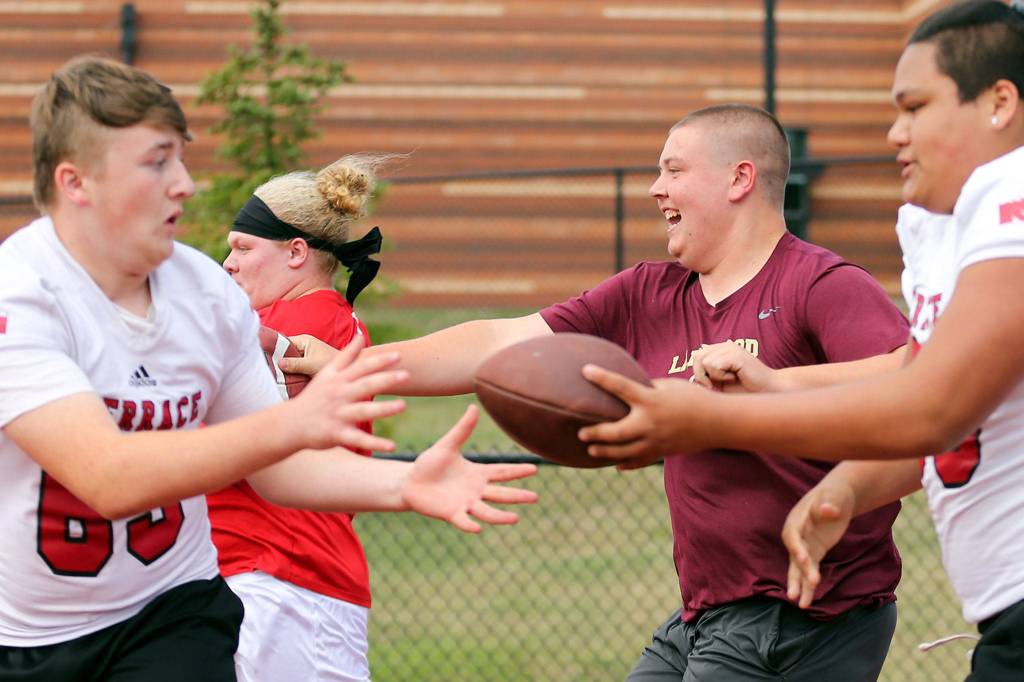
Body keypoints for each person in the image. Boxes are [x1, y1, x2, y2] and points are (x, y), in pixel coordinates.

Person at [285, 104, 911, 680]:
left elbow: (911, 382)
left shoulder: (821, 284)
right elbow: (502, 342)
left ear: (739, 179)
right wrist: (351, 363)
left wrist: (777, 388)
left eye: (673, 169)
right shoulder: (649, 292)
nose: (655, 188)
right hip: (709, 609)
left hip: (807, 613)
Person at [0, 55, 537, 682]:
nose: (184, 184)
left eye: (180, 158)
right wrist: (294, 421)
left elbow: (279, 473)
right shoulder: (22, 294)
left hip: (175, 610)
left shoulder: (203, 294)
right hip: (33, 633)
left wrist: (404, 483)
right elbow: (108, 477)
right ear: (76, 184)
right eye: (155, 162)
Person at [574, 2, 1024, 678]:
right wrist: (830, 469)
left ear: (999, 102)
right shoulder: (945, 223)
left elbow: (933, 407)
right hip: (995, 612)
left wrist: (712, 416)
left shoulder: (1008, 199)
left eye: (915, 105)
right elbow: (917, 373)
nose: (895, 131)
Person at [210, 154, 393, 682]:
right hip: (269, 576)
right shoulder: (312, 320)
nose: (229, 263)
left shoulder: (303, 321)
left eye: (243, 248)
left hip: (285, 578)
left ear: (295, 252)